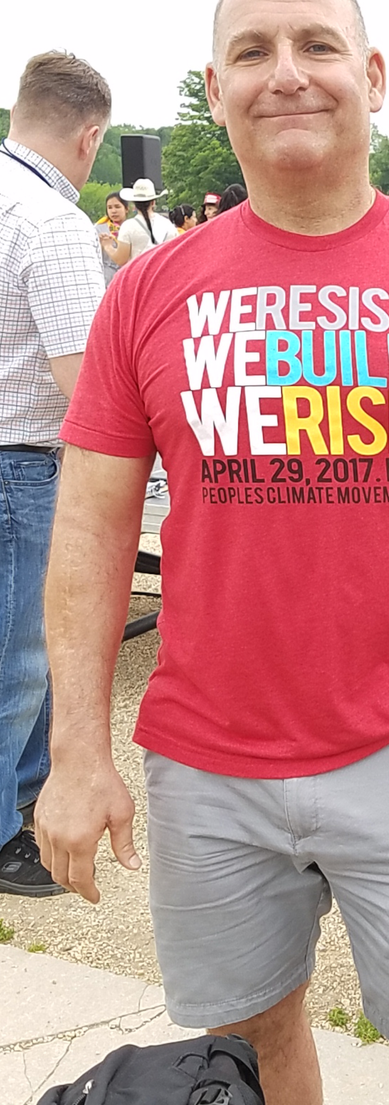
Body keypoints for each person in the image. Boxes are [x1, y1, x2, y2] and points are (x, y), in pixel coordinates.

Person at [36, 0, 389, 1105]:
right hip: (205, 763)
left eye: (317, 45)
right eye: (252, 53)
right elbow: (89, 535)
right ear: (217, 88)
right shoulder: (148, 293)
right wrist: (79, 751)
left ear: (372, 75)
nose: (287, 74)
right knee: (243, 1050)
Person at [0, 50, 109, 896]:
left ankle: (24, 795)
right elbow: (89, 387)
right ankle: (7, 831)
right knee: (21, 660)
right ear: (90, 135)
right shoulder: (53, 223)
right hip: (23, 462)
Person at [104, 178, 178, 265]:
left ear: (134, 204)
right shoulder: (167, 224)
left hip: (139, 275)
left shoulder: (129, 226)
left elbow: (121, 260)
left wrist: (107, 246)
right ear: (153, 202)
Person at [95, 191, 128, 286]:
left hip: (126, 273)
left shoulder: (132, 227)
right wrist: (101, 245)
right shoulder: (99, 229)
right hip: (106, 276)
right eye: (110, 207)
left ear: (126, 209)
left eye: (117, 207)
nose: (113, 211)